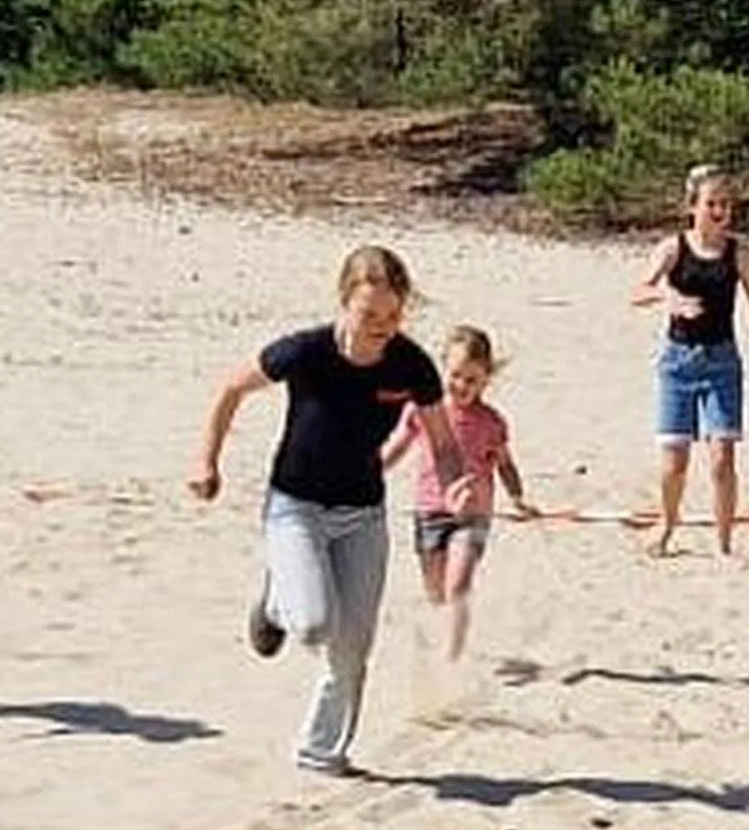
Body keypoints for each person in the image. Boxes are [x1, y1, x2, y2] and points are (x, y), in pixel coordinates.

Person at [190, 243, 473, 777]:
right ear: (345, 302)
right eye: (370, 314)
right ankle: (276, 603)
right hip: (295, 507)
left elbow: (442, 441)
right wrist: (206, 461)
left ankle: (321, 754)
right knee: (315, 624)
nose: (381, 327)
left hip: (363, 514)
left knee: (352, 647)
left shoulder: (411, 364)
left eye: (392, 316)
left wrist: (455, 484)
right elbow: (231, 387)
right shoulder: (306, 352)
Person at [631, 164, 749, 557]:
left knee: (722, 458)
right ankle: (667, 526)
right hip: (678, 363)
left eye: (726, 204)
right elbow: (638, 290)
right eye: (711, 203)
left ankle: (724, 544)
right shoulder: (673, 249)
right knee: (674, 463)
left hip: (722, 362)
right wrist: (669, 298)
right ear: (692, 207)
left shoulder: (740, 253)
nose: (720, 212)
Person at [377, 323, 534, 662]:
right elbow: (397, 447)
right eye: (455, 375)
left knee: (458, 585)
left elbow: (505, 464)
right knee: (435, 591)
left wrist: (518, 498)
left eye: (471, 379)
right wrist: (369, 474)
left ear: (486, 379)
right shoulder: (422, 410)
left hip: (473, 514)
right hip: (429, 511)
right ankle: (442, 636)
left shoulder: (491, 422)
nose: (462, 385)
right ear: (442, 369)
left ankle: (452, 660)